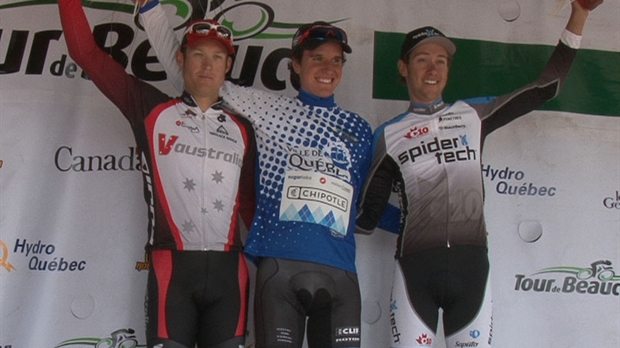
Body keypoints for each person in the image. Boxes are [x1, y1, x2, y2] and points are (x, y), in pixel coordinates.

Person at [356, 1, 605, 347]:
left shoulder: (473, 115)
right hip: (415, 271)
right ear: (403, 67)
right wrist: (415, 219)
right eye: (422, 59)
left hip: (470, 269)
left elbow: (547, 87)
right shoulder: (388, 135)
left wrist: (579, 15)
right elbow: (366, 217)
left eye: (441, 61)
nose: (433, 67)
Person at [135, 2, 373, 346]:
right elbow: (194, 76)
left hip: (340, 268)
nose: (327, 67)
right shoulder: (267, 109)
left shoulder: (361, 129)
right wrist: (152, 11)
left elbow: (365, 202)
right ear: (295, 64)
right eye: (317, 58)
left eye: (336, 60)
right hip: (279, 268)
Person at [57, 1, 257, 347]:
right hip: (172, 270)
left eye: (217, 57)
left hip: (230, 275)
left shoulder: (244, 129)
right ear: (180, 60)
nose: (207, 65)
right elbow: (84, 52)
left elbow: (250, 205)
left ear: (228, 65)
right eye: (197, 54)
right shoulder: (151, 109)